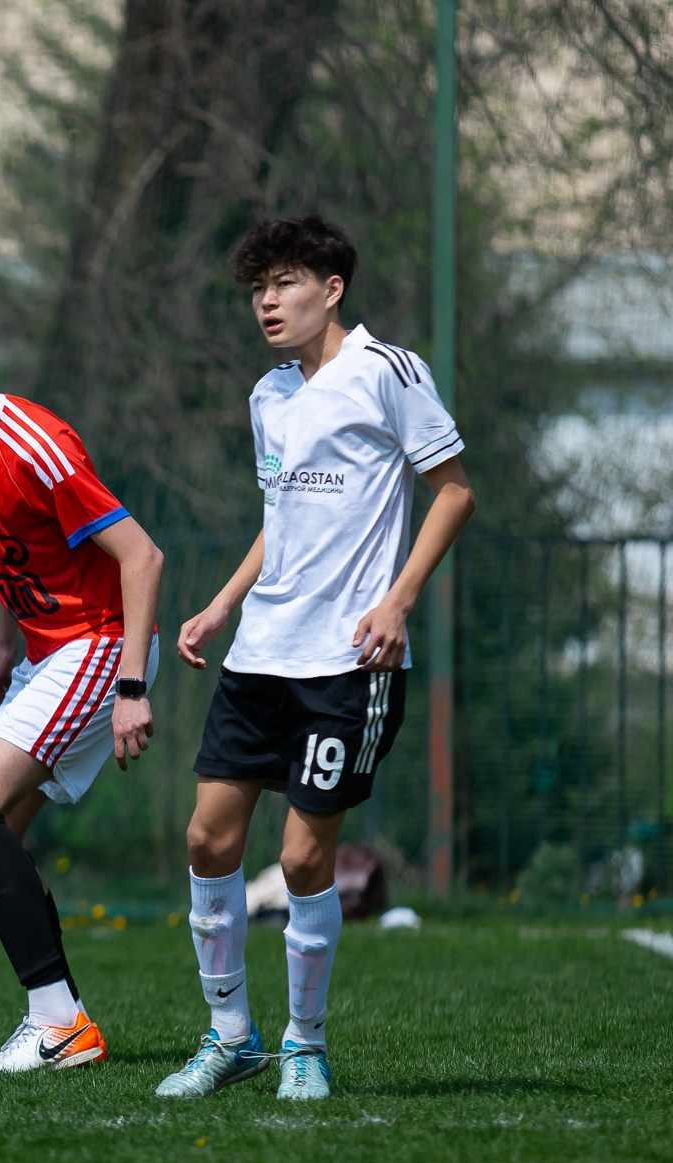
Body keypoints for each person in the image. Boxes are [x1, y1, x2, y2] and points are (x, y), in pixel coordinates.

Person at [159, 216, 475, 1102]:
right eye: (258, 287)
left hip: (348, 664)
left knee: (303, 860)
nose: (267, 300)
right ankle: (231, 1037)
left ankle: (305, 1042)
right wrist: (223, 603)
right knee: (206, 838)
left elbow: (454, 491)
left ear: (331, 290)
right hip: (260, 653)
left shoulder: (388, 372)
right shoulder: (270, 395)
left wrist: (400, 598)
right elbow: (282, 519)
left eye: (286, 282)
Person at [0, 297, 164, 1074]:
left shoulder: (33, 443)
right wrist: (5, 641)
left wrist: (133, 687)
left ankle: (58, 1021)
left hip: (99, 644)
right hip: (44, 653)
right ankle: (62, 1018)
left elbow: (141, 556)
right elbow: (5, 549)